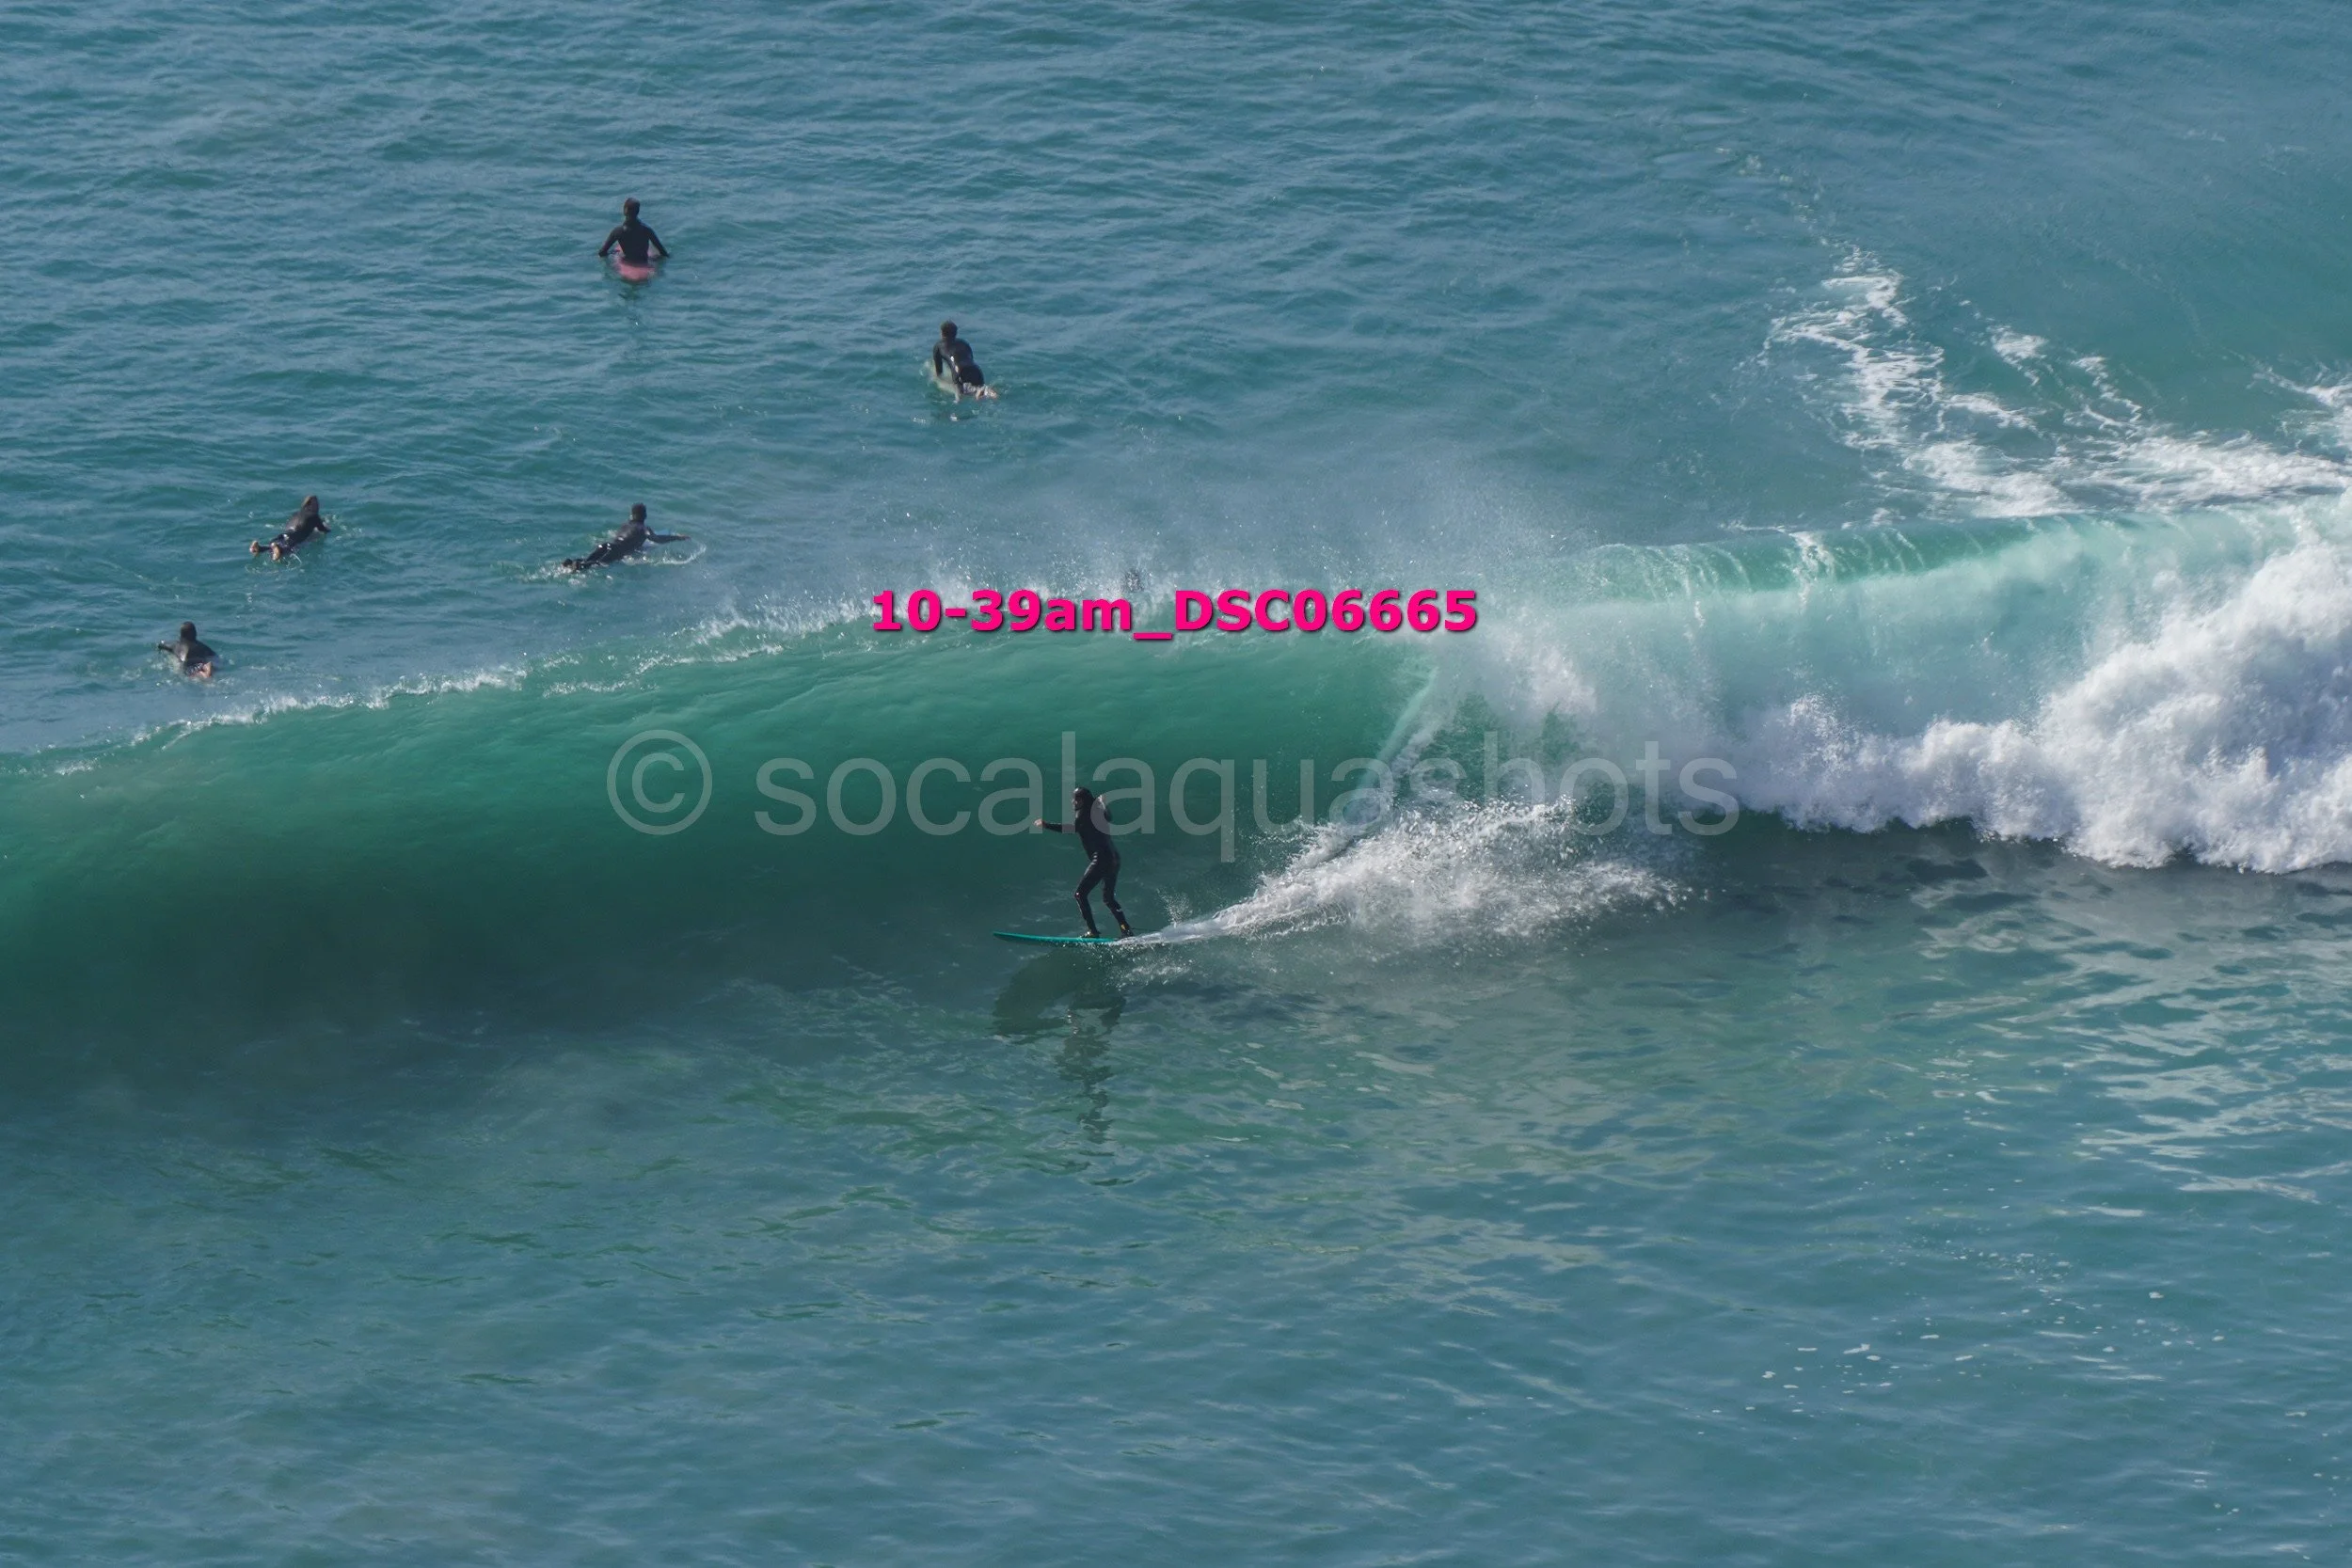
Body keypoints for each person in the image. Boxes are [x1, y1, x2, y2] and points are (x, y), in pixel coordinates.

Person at [1037, 786, 1133, 939]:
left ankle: (1093, 932)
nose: (1073, 802)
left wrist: (1046, 825)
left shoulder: (1083, 813)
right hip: (1114, 858)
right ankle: (1126, 930)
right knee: (1108, 899)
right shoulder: (1098, 810)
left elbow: (1072, 828)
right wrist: (1103, 803)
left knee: (1080, 894)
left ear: (1082, 801)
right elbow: (1109, 817)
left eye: (1076, 799)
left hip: (1101, 859)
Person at [563, 503, 689, 572]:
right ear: (644, 515)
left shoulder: (625, 525)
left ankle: (571, 562)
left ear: (631, 515)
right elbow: (656, 539)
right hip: (618, 550)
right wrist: (677, 537)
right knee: (598, 564)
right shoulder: (643, 528)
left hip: (607, 544)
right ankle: (578, 566)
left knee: (588, 559)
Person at [251, 495, 330, 561]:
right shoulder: (314, 516)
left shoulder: (296, 514)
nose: (318, 507)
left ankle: (259, 548)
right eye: (316, 504)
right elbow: (323, 529)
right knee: (287, 551)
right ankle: (279, 550)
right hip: (295, 537)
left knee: (273, 546)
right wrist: (329, 528)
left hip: (285, 534)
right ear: (309, 505)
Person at [931, 321, 994, 399]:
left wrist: (938, 380)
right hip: (976, 370)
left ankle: (976, 393)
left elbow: (939, 371)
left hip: (959, 371)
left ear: (942, 333)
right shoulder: (964, 343)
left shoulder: (938, 346)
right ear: (956, 333)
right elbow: (970, 358)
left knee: (961, 396)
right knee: (982, 387)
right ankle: (989, 393)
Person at [598, 198, 668, 267]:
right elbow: (663, 252)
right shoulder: (647, 230)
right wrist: (654, 259)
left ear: (625, 210)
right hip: (644, 261)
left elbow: (602, 252)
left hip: (627, 261)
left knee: (614, 252)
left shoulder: (618, 231)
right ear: (638, 211)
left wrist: (612, 255)